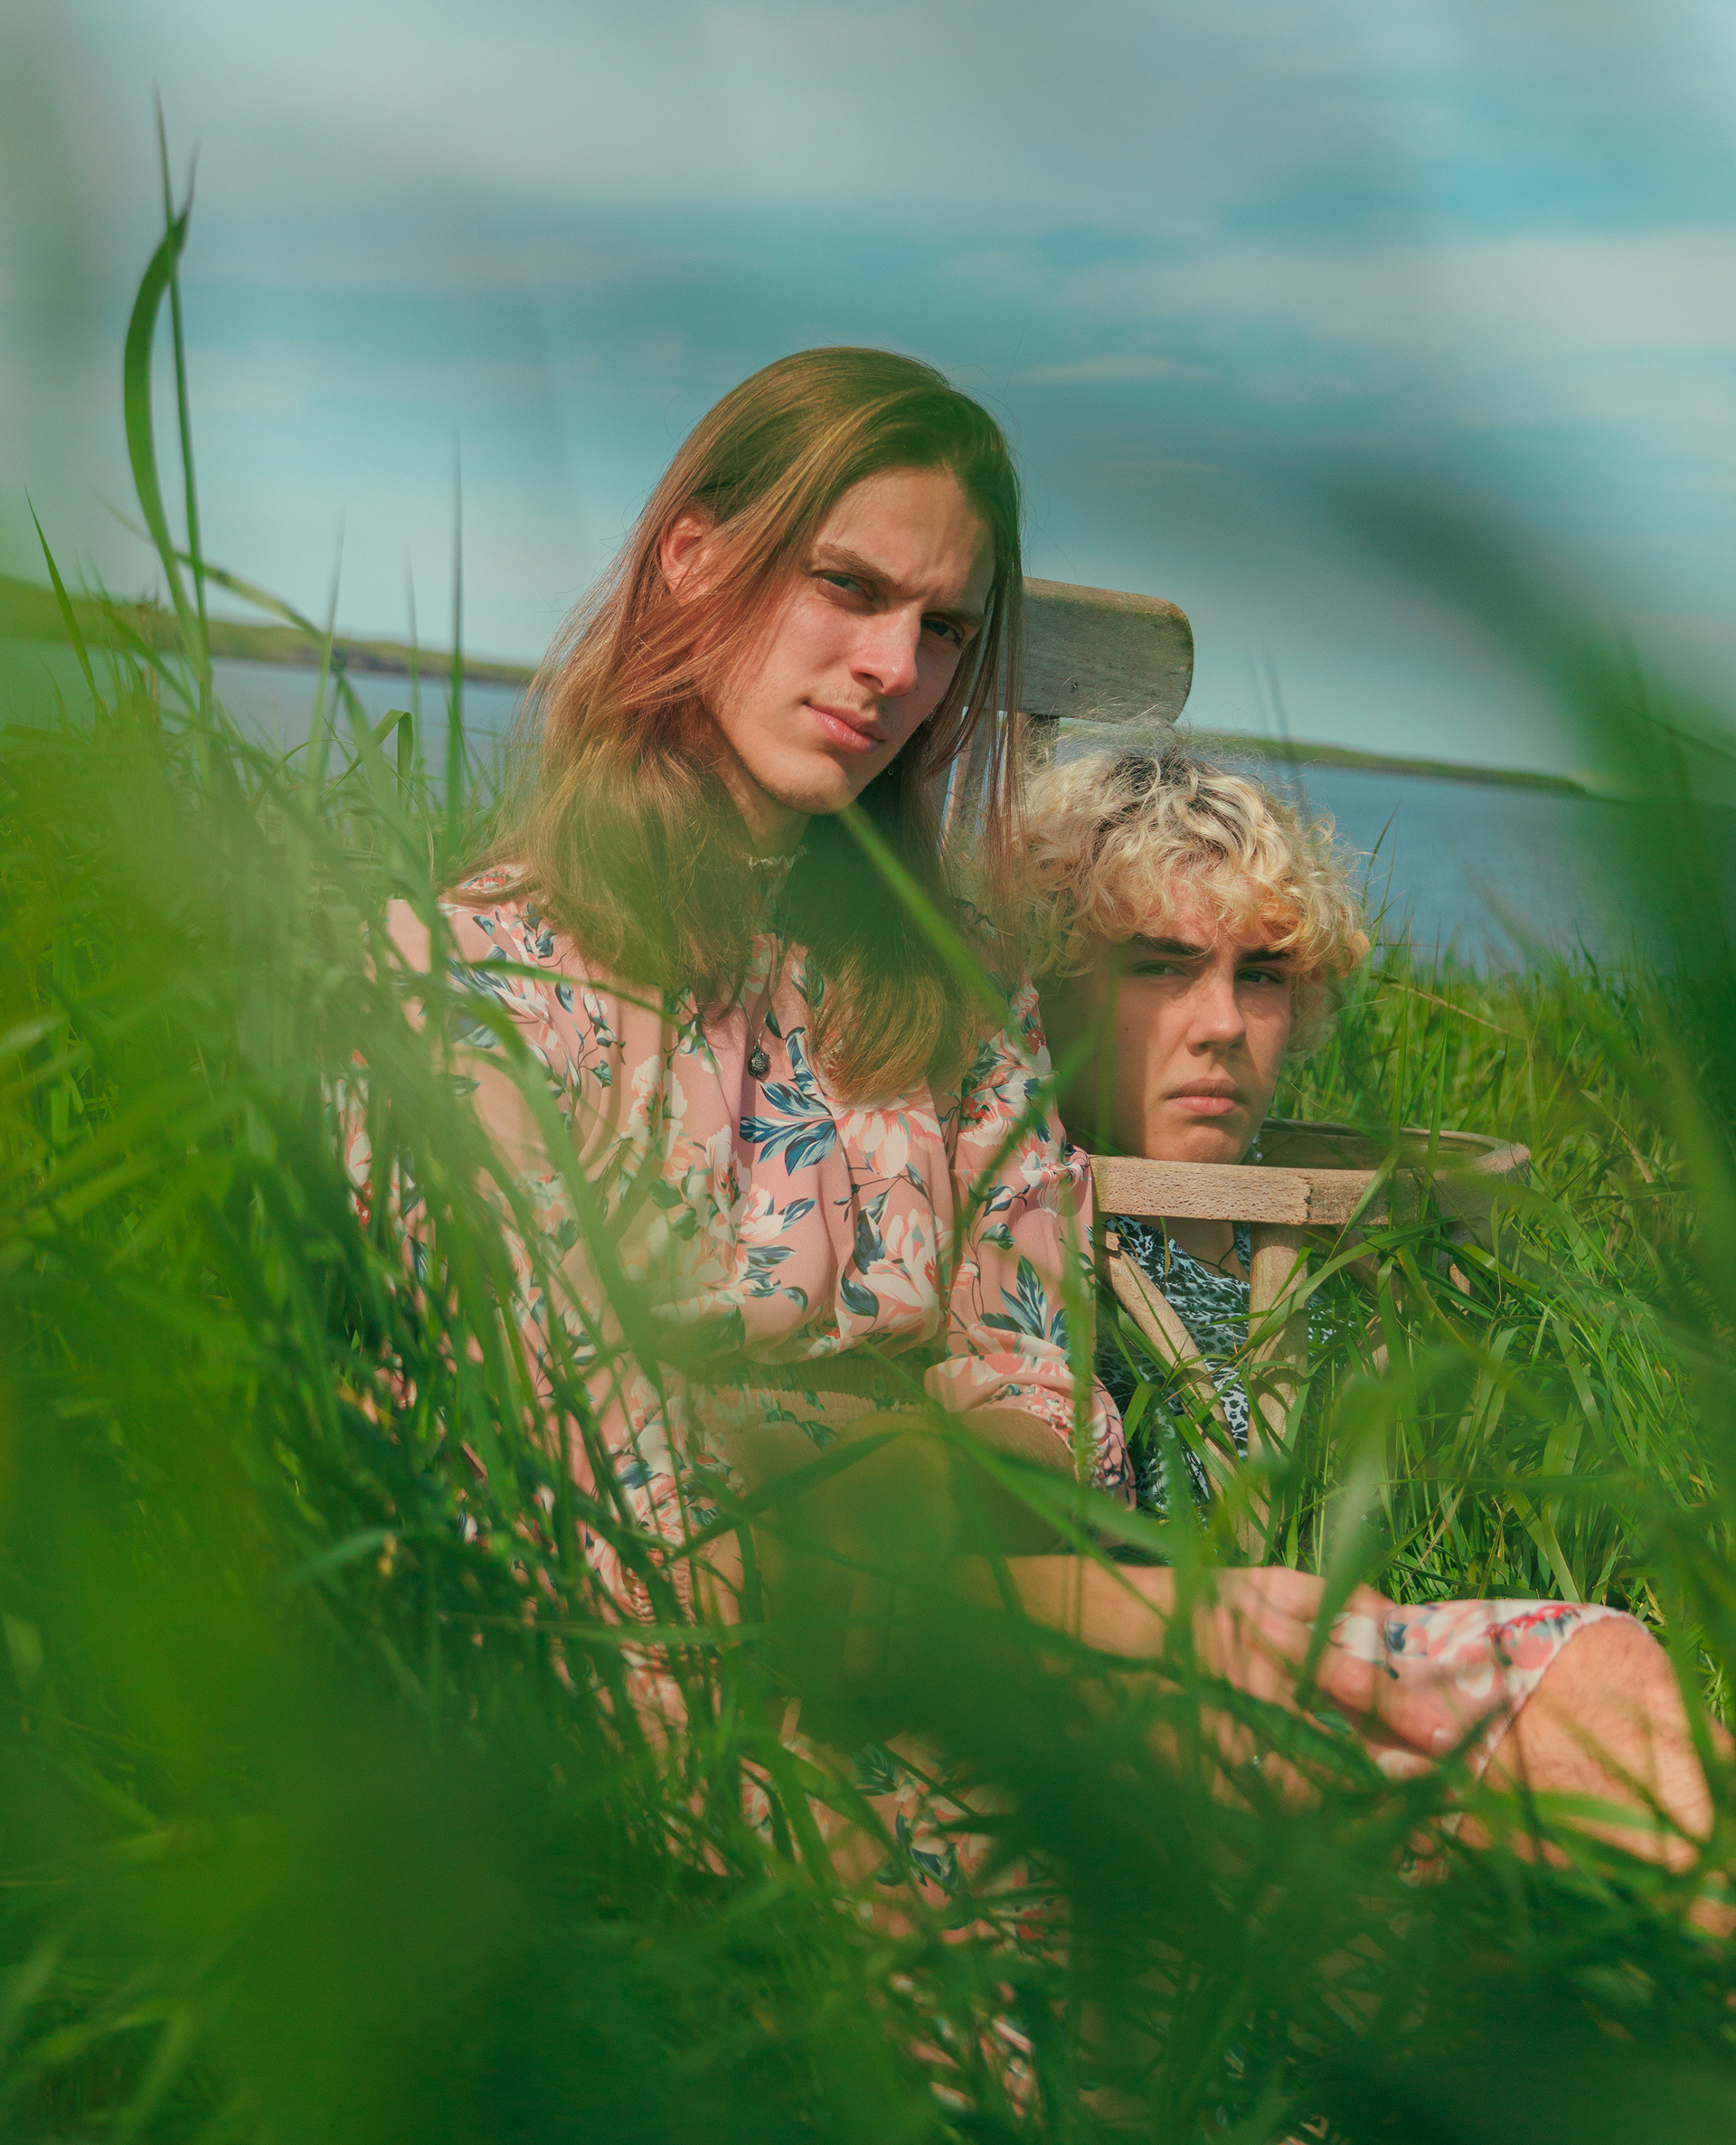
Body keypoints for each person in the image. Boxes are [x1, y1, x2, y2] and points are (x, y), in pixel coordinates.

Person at [341, 350, 1476, 1922]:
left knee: (1597, 1681)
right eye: (848, 587)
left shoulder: (950, 999)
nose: (893, 666)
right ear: (696, 559)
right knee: (1353, 1837)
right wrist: (944, 1490)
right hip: (710, 1709)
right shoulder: (470, 983)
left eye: (943, 629)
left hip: (1011, 1639)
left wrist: (882, 1480)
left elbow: (1050, 1418)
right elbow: (583, 1484)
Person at [1019, 741, 1723, 1863]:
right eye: (1161, 966)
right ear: (1052, 983)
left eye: (1262, 976)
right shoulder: (1010, 1237)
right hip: (1141, 1726)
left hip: (1340, 1683)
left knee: (1621, 1688)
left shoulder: (1349, 1255)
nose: (1221, 1023)